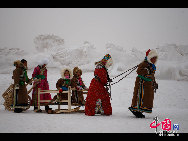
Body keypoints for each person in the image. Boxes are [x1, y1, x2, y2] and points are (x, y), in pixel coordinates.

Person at [128, 49, 158, 118]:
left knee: (146, 98)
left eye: (156, 58)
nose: (155, 60)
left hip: (148, 85)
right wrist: (147, 70)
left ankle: (140, 110)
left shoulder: (151, 65)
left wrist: (154, 83)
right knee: (140, 97)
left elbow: (152, 76)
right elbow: (139, 71)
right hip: (141, 84)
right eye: (154, 58)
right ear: (150, 58)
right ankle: (136, 110)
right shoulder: (144, 64)